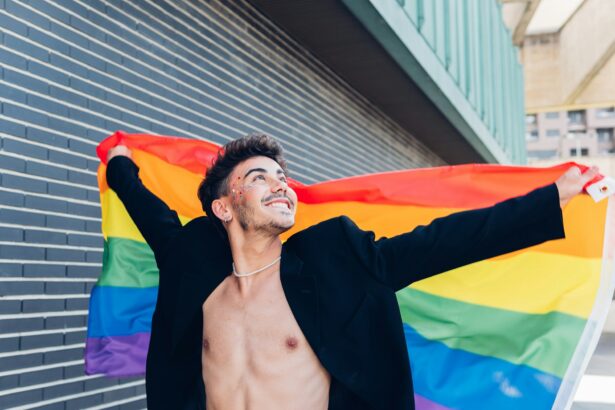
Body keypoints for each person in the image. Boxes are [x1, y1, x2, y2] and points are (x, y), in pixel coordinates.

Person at [105, 134, 598, 410]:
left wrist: (553, 197)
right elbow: (153, 216)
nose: (280, 186)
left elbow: (443, 242)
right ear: (223, 208)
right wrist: (120, 164)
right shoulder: (193, 271)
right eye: (258, 178)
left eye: (282, 178)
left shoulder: (334, 263)